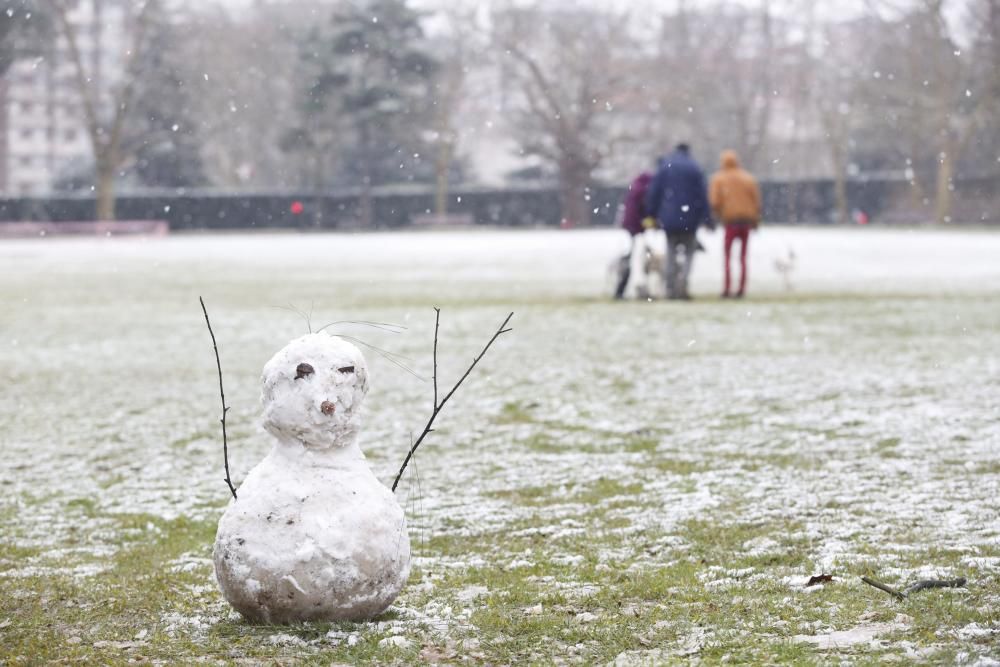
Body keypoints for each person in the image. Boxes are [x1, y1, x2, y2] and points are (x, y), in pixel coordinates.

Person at [645, 143, 713, 300]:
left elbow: (654, 192)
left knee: (670, 252)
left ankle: (670, 287)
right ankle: (683, 283)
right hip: (690, 218)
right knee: (689, 253)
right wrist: (707, 218)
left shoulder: (666, 166)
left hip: (669, 218)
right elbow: (702, 195)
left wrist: (652, 215)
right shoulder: (694, 167)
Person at [709, 150, 761, 298]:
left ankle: (727, 288)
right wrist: (755, 220)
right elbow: (756, 201)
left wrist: (718, 214)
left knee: (727, 257)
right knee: (743, 257)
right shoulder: (748, 178)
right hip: (746, 222)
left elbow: (715, 202)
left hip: (730, 222)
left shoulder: (719, 179)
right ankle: (742, 288)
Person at [614, 171, 654, 299]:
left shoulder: (635, 189)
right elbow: (642, 211)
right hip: (635, 229)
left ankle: (621, 290)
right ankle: (631, 290)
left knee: (632, 257)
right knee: (636, 259)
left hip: (629, 227)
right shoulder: (643, 191)